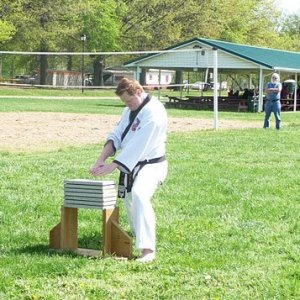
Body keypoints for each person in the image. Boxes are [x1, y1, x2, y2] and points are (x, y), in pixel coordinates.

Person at [90, 78, 168, 263]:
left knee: (140, 195)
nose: (127, 105)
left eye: (129, 101)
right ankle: (137, 232)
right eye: (124, 102)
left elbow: (138, 145)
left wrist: (113, 165)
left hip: (152, 164)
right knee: (130, 200)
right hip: (132, 163)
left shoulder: (154, 113)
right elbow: (117, 135)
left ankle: (148, 250)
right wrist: (101, 159)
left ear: (139, 92)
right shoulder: (129, 109)